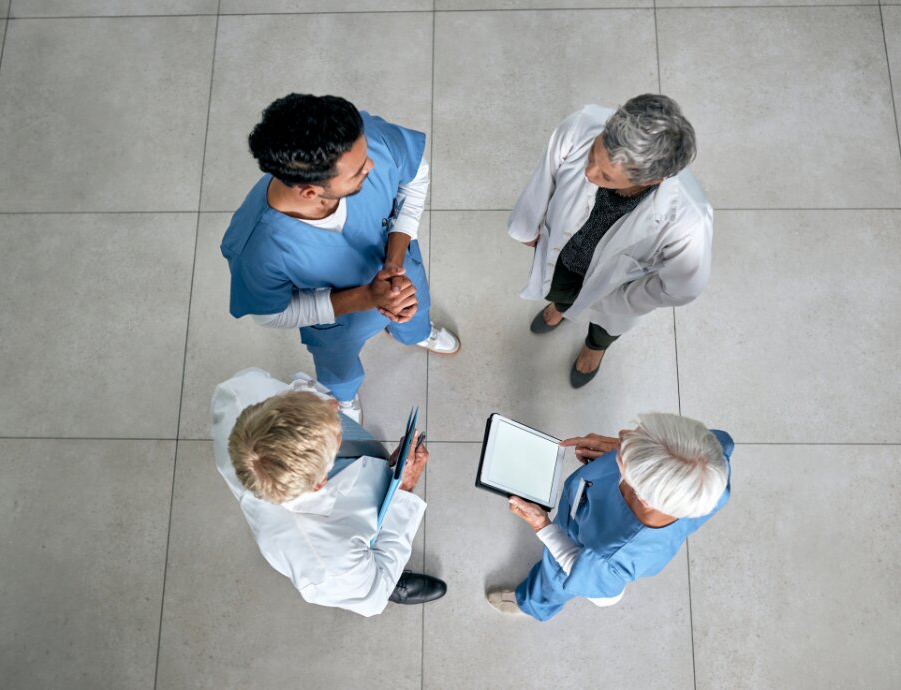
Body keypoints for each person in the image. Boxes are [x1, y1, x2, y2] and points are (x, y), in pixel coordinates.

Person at [222, 93, 460, 423]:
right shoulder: (256, 249)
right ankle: (345, 399)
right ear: (310, 192)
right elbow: (271, 315)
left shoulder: (361, 139)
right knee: (339, 370)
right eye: (359, 172)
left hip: (400, 266)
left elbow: (415, 174)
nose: (372, 166)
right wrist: (365, 297)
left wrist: (394, 260)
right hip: (335, 324)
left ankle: (416, 333)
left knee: (414, 309)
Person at [508, 94, 711, 388]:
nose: (589, 173)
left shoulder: (690, 220)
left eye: (606, 175)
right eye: (592, 155)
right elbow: (546, 174)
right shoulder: (583, 124)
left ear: (651, 180)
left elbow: (683, 287)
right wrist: (528, 227)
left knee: (607, 320)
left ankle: (596, 346)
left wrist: (624, 300)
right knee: (558, 290)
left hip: (617, 286)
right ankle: (564, 308)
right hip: (567, 253)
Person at [212, 367, 446, 617]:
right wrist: (404, 488)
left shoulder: (243, 392)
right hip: (359, 571)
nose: (335, 404)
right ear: (319, 483)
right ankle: (386, 577)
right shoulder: (326, 562)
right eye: (336, 431)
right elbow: (372, 602)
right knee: (375, 582)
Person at [486, 413, 731, 621]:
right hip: (594, 506)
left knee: (556, 577)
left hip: (580, 546)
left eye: (626, 450)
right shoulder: (711, 458)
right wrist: (635, 450)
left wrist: (543, 526)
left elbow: (603, 596)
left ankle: (532, 602)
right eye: (638, 434)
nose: (623, 434)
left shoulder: (612, 556)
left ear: (643, 496)